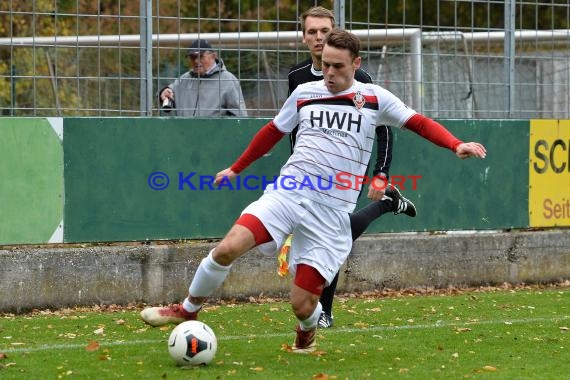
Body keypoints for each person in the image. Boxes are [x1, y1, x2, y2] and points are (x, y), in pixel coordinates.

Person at [141, 29, 487, 354]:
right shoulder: (304, 93)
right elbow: (272, 132)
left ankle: (308, 328)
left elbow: (419, 123)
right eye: (324, 65)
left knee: (302, 305)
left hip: (331, 213)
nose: (329, 72)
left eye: (338, 66)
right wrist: (236, 168)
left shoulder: (374, 98)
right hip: (288, 192)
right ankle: (188, 309)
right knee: (228, 247)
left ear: (356, 64)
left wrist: (455, 144)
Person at [287, 6, 415, 329]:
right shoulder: (296, 79)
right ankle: (388, 204)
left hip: (347, 173)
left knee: (336, 232)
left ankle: (324, 311)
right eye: (312, 31)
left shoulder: (362, 81)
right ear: (303, 38)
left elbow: (383, 129)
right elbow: (295, 129)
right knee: (324, 236)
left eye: (325, 31)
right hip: (309, 176)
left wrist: (381, 173)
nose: (319, 37)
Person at [158, 39, 248, 117]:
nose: (196, 61)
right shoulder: (184, 79)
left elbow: (240, 117)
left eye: (201, 56)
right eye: (193, 57)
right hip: (184, 135)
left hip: (215, 136)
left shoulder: (228, 80)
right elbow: (168, 91)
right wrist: (164, 92)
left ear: (213, 56)